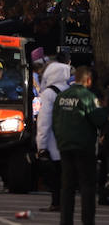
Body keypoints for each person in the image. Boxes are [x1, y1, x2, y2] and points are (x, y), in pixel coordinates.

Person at [53, 66, 108, 225]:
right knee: (87, 187)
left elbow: (55, 120)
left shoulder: (61, 96)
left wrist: (60, 140)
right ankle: (87, 221)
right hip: (84, 147)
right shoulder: (88, 97)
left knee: (67, 187)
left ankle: (66, 221)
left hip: (64, 146)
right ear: (88, 80)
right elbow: (99, 119)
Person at [37, 59, 73, 213]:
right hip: (70, 140)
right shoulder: (71, 91)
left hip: (53, 141)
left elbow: (44, 121)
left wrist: (41, 145)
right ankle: (65, 203)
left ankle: (56, 203)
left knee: (54, 177)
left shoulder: (48, 94)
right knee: (67, 176)